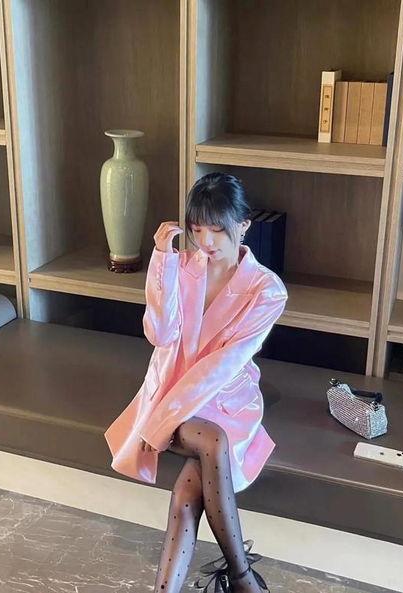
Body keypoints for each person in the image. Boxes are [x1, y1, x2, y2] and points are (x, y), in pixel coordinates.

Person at [104, 173, 288, 593]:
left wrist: (164, 422)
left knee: (188, 494)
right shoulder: (182, 265)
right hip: (171, 389)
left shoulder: (267, 290)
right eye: (197, 229)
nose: (206, 241)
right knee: (212, 442)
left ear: (243, 225)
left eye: (218, 229)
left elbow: (223, 366)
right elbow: (160, 334)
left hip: (227, 400)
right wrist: (162, 260)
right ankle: (243, 579)